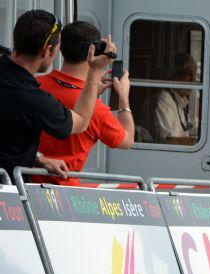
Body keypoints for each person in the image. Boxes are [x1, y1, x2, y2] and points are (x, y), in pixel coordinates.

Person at [0, 10, 114, 180]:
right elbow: (81, 122)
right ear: (48, 51)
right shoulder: (33, 99)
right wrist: (95, 70)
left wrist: (37, 158)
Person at [37, 21, 134, 184]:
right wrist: (124, 97)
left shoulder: (33, 85)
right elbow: (127, 140)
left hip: (20, 185)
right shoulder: (97, 110)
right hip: (64, 192)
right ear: (95, 52)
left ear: (60, 49)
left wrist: (91, 92)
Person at [154, 53, 198, 144]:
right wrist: (195, 143)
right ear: (175, 75)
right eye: (189, 74)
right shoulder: (165, 99)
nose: (193, 79)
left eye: (194, 75)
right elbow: (170, 141)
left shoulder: (180, 101)